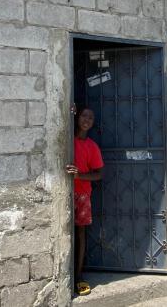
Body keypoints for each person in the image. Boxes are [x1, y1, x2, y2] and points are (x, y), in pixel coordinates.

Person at [65, 106, 103, 296]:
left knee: (80, 234)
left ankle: (78, 275)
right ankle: (65, 274)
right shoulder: (67, 140)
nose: (86, 119)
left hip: (82, 194)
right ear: (77, 117)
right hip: (65, 193)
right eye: (83, 115)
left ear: (93, 123)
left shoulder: (92, 146)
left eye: (91, 117)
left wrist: (80, 175)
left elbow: (99, 174)